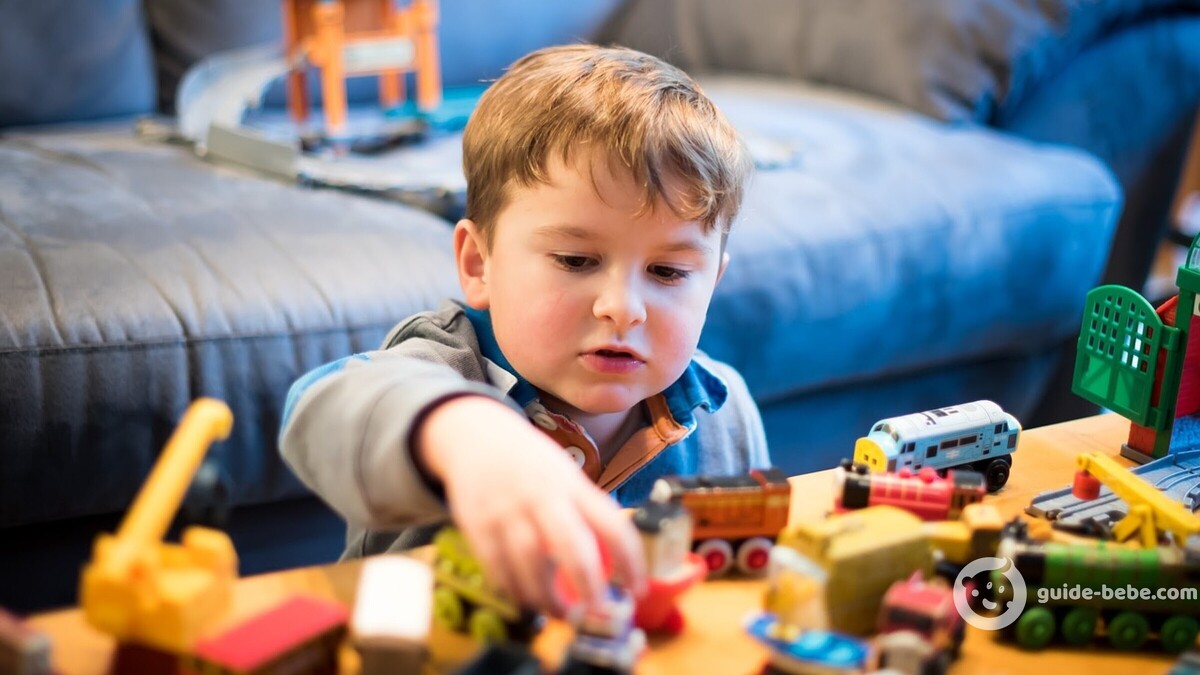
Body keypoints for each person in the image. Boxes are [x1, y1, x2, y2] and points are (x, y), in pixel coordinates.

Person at [279, 44, 769, 615]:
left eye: (668, 272)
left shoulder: (725, 413)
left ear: (711, 282)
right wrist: (464, 434)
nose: (622, 308)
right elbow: (319, 411)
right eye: (576, 260)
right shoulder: (442, 367)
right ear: (478, 265)